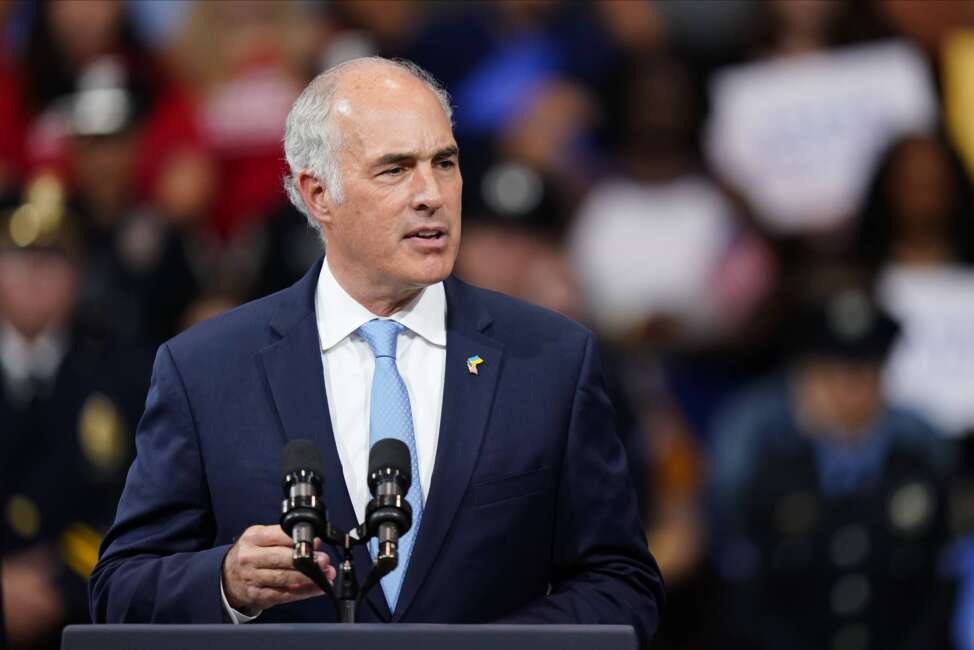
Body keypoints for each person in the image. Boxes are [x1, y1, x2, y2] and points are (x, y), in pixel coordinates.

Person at [88, 57, 663, 643]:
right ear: (318, 195)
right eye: (395, 169)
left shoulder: (553, 360)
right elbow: (119, 590)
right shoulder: (206, 370)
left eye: (444, 163)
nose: (431, 195)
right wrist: (226, 583)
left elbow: (621, 584)